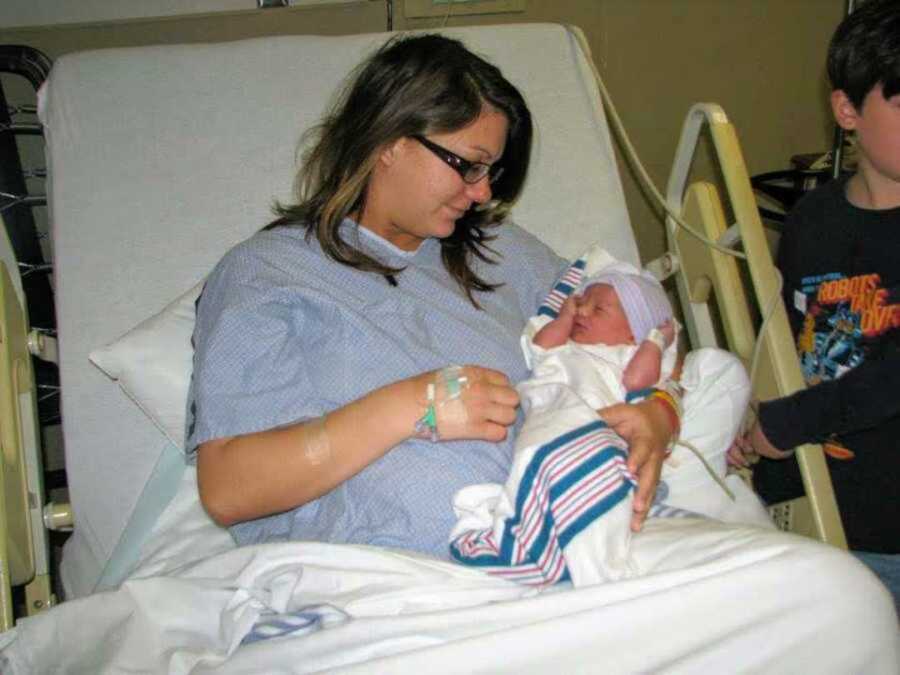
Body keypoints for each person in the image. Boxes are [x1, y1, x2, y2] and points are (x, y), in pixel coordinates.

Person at [185, 33, 677, 561]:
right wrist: (415, 407)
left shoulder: (500, 250)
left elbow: (646, 325)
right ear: (390, 139)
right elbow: (229, 489)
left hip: (587, 543)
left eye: (491, 172)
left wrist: (662, 412)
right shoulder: (267, 274)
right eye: (469, 164)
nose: (484, 192)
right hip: (400, 581)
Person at [729, 0, 900, 611]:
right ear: (847, 110)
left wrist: (787, 422)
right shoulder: (813, 219)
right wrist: (747, 423)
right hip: (821, 517)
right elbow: (783, 343)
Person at [450, 252, 683, 586]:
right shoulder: (563, 347)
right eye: (582, 301)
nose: (583, 310)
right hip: (553, 413)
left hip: (600, 430)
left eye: (598, 308)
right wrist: (564, 317)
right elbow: (541, 344)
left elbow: (639, 381)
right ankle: (528, 536)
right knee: (542, 458)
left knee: (603, 468)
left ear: (633, 333)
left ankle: (571, 543)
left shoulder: (626, 356)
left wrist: (656, 341)